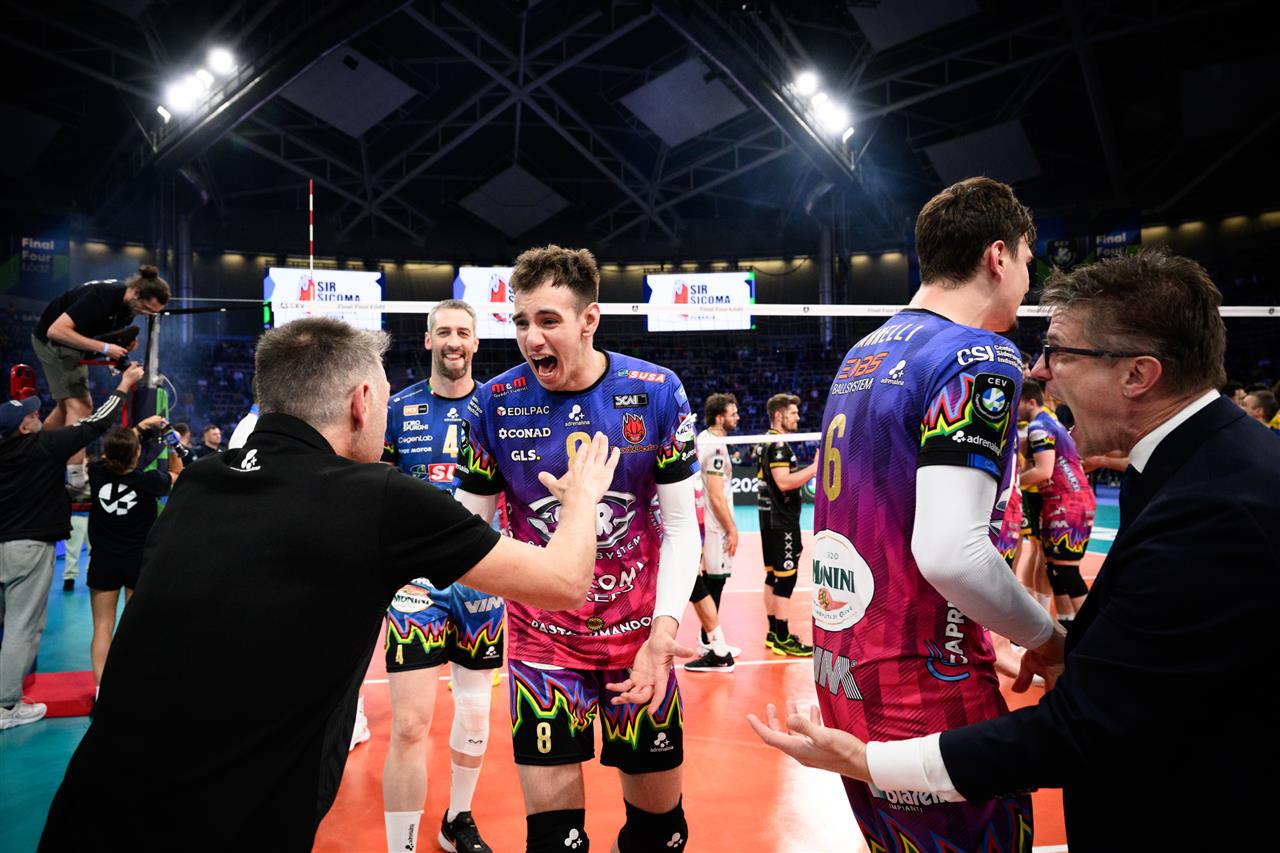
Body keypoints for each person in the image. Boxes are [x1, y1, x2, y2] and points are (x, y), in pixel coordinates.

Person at [750, 248, 1277, 852]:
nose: (1041, 371)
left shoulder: (1220, 509)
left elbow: (1083, 729)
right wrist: (1065, 646)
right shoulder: (1191, 465)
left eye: (1060, 352)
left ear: (1137, 374)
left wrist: (870, 762)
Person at [39, 317, 620, 850]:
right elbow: (565, 583)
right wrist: (581, 498)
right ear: (362, 402)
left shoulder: (197, 485)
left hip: (83, 815)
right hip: (228, 827)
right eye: (385, 399)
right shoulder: (380, 501)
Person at [763, 177, 1064, 851]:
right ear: (997, 256)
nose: (1028, 279)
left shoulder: (863, 353)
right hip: (924, 677)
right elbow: (952, 553)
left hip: (846, 667)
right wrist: (1047, 639)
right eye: (1027, 259)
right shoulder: (978, 355)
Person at [455, 245, 702, 853]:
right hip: (543, 648)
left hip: (639, 643)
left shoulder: (656, 392)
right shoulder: (494, 404)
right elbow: (468, 533)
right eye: (520, 322)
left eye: (548, 321)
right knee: (555, 843)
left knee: (659, 835)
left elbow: (681, 527)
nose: (531, 338)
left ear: (590, 319)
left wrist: (664, 633)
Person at [380, 299, 506, 853]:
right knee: (410, 725)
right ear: (428, 340)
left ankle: (457, 819)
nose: (454, 341)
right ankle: (401, 846)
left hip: (484, 580)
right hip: (416, 586)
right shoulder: (397, 408)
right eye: (444, 332)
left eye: (464, 332)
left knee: (475, 712)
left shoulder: (501, 408)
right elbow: (375, 490)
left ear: (476, 342)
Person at [1, 363, 144, 730]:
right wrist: (125, 384)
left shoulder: (15, 447)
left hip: (3, 545)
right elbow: (96, 423)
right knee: (21, 628)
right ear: (24, 428)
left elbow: (53, 425)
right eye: (32, 415)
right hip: (28, 548)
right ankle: (6, 706)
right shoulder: (44, 447)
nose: (38, 416)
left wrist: (63, 399)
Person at [31, 267, 169, 484]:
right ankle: (76, 480)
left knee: (66, 407)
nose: (146, 314)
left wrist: (119, 344)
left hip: (73, 344)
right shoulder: (101, 297)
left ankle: (33, 452)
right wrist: (105, 348)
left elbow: (99, 330)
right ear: (135, 293)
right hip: (54, 342)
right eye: (146, 308)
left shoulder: (128, 306)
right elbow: (56, 331)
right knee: (81, 407)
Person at [86, 417, 183, 689]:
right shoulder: (149, 481)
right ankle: (129, 688)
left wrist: (138, 428)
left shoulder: (97, 472)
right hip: (136, 560)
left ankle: (101, 690)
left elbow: (117, 448)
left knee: (102, 627)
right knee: (133, 628)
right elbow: (178, 473)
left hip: (103, 559)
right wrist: (172, 444)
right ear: (137, 452)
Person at [1018, 379, 1096, 623]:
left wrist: (1011, 484)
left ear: (1031, 402)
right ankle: (1065, 626)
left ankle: (1091, 629)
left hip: (1068, 500)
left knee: (1065, 571)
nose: (1013, 409)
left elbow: (1043, 471)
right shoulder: (1050, 422)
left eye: (1016, 403)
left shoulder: (1039, 426)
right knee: (1055, 570)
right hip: (1062, 499)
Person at [755, 392, 818, 656]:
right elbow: (783, 482)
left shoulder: (766, 441)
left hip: (770, 519)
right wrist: (815, 468)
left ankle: (773, 633)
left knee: (773, 576)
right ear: (779, 415)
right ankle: (782, 637)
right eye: (793, 413)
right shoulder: (778, 444)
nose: (798, 417)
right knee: (786, 579)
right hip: (782, 522)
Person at [684, 393, 742, 673]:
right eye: (733, 413)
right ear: (720, 418)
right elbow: (717, 496)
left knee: (709, 580)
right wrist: (732, 529)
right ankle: (711, 644)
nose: (737, 417)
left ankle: (710, 641)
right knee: (713, 582)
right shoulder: (715, 447)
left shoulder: (707, 440)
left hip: (707, 524)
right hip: (715, 526)